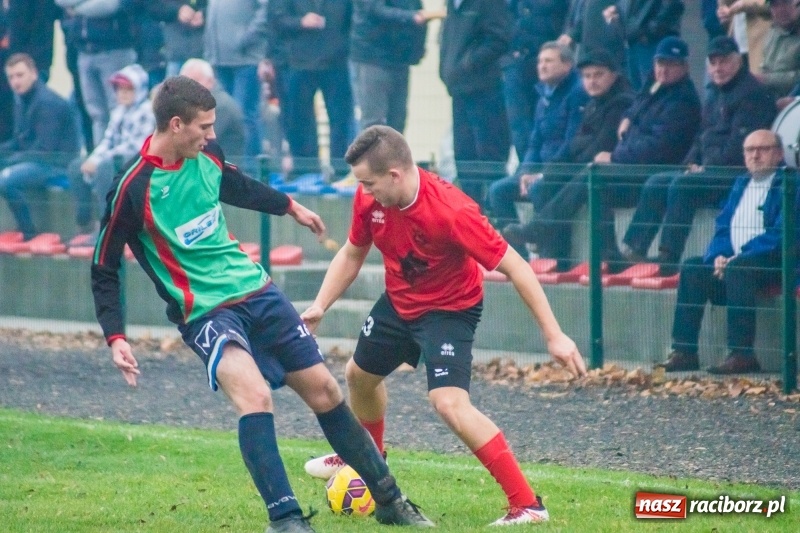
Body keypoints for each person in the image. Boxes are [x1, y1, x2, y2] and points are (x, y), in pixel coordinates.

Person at [90, 76, 434, 532]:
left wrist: (289, 206)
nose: (212, 135)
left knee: (326, 392)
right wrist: (116, 336)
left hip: (258, 292)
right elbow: (103, 266)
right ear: (176, 125)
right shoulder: (131, 189)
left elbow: (234, 184)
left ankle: (392, 502)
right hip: (206, 312)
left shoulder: (206, 155)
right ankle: (287, 519)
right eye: (204, 126)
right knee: (254, 396)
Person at [299, 125, 587, 526]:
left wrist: (554, 335)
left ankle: (528, 505)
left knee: (449, 403)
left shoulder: (453, 211)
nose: (363, 192)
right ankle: (370, 462)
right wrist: (320, 305)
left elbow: (517, 267)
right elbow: (352, 253)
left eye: (369, 183)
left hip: (449, 311)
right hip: (400, 300)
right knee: (359, 376)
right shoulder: (370, 199)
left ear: (395, 175)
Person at [503, 36, 701, 271]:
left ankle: (542, 232)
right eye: (660, 63)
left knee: (593, 177)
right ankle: (565, 252)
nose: (663, 70)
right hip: (625, 166)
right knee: (553, 180)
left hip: (646, 172)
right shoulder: (652, 87)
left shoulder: (681, 100)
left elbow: (658, 147)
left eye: (671, 65)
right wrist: (542, 172)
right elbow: (575, 142)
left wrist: (616, 155)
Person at [620, 36, 776, 275]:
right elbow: (701, 136)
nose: (717, 68)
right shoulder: (714, 93)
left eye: (723, 61)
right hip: (706, 169)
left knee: (683, 185)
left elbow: (738, 148)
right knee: (658, 181)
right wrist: (691, 162)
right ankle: (634, 248)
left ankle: (668, 255)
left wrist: (705, 167)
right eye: (713, 63)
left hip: (733, 173)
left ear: (738, 62)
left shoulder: (751, 94)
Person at [655, 130, 787, 375]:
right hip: (736, 262)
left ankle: (742, 355)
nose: (755, 156)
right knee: (694, 267)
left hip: (775, 262)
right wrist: (718, 255)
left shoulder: (790, 184)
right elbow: (724, 226)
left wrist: (741, 255)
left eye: (763, 149)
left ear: (779, 154)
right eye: (749, 150)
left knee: (739, 268)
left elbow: (783, 232)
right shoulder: (740, 183)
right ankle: (684, 351)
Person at [490, 48, 633, 263]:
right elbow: (546, 143)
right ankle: (519, 257)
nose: (592, 82)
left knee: (552, 184)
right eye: (587, 76)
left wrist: (549, 173)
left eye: (598, 75)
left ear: (614, 75)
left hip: (612, 176)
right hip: (576, 168)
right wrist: (535, 172)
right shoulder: (579, 101)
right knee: (511, 188)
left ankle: (554, 253)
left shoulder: (619, 103)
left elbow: (597, 145)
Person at [69, 64, 155, 241]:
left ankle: (108, 228)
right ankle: (84, 223)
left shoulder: (147, 111)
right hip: (116, 157)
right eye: (119, 89)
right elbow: (107, 141)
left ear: (139, 89)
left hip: (139, 162)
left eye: (128, 89)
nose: (122, 93)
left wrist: (100, 161)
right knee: (76, 166)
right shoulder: (118, 111)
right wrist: (93, 159)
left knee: (104, 168)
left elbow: (137, 146)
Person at [439, 0, 512, 207]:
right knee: (464, 156)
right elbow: (446, 41)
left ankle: (496, 215)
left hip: (485, 90)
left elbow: (499, 39)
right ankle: (471, 215)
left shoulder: (487, 4)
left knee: (489, 155)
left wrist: (468, 63)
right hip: (459, 90)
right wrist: (446, 70)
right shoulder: (453, 5)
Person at [0, 53, 79, 240]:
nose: (15, 82)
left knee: (4, 181)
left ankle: (28, 230)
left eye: (20, 75)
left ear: (33, 74)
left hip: (58, 164)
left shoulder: (47, 102)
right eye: (11, 77)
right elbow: (21, 140)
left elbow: (46, 150)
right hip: (38, 159)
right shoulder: (21, 99)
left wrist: (11, 161)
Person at [349, 0, 442, 133]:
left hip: (399, 59)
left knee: (398, 122)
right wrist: (412, 17)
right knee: (374, 123)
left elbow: (416, 8)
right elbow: (374, 9)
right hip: (372, 56)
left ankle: (393, 153)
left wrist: (416, 49)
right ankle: (374, 154)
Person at [179, 58, 245, 157]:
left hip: (221, 167)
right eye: (183, 84)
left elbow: (200, 140)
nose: (187, 89)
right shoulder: (198, 104)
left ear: (210, 81)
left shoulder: (221, 106)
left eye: (193, 82)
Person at [755, 0, 800, 103]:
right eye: (775, 5)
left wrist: (768, 79)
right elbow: (765, 67)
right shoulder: (773, 32)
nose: (781, 9)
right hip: (772, 100)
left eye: (785, 3)